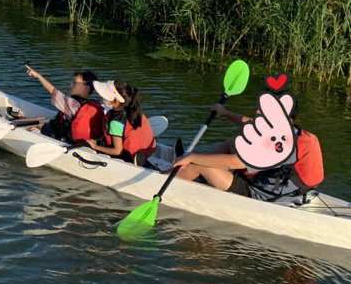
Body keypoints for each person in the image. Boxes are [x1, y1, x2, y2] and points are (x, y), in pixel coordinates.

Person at [171, 92, 324, 201]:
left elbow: (236, 162)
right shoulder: (296, 133)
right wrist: (225, 113)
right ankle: (197, 174)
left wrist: (191, 157)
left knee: (198, 164)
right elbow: (250, 123)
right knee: (234, 141)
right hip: (293, 190)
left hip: (260, 195)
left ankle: (163, 176)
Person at [25, 65, 104, 142]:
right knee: (42, 119)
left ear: (86, 88)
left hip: (64, 138)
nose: (71, 84)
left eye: (75, 82)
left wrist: (38, 76)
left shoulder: (72, 104)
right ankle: (24, 119)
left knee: (40, 125)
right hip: (83, 139)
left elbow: (53, 91)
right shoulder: (92, 104)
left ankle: (20, 126)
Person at [86, 80, 156, 164]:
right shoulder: (133, 111)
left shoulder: (115, 122)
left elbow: (117, 151)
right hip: (142, 154)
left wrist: (95, 146)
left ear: (116, 100)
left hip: (126, 157)